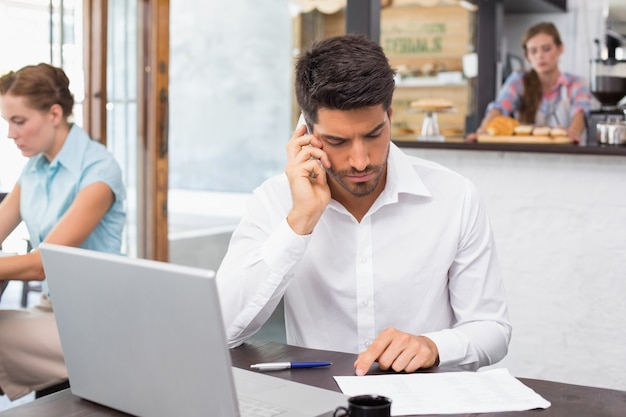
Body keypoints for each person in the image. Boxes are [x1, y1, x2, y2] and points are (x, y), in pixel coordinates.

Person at [216, 34, 511, 376]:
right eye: (337, 141)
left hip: (427, 403)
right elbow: (220, 330)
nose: (360, 161)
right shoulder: (274, 201)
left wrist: (434, 347)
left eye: (373, 135)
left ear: (389, 113)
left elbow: (493, 329)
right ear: (306, 132)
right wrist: (300, 220)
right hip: (323, 401)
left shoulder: (455, 197)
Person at [0, 63, 126, 400]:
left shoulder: (99, 170)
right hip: (54, 307)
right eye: (7, 122)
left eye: (19, 121)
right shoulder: (35, 167)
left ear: (54, 114)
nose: (11, 134)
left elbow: (44, 263)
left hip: (99, 318)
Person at [467, 22, 592, 143]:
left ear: (560, 49)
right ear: (527, 55)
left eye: (546, 49)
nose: (540, 56)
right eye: (533, 51)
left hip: (567, 155)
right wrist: (483, 130)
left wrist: (573, 132)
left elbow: (580, 113)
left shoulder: (577, 83)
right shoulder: (519, 80)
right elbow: (499, 108)